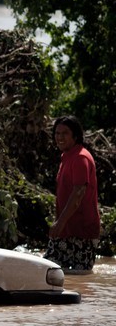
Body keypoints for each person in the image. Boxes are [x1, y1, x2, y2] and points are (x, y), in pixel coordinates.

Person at [44, 115, 100, 272]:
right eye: (57, 133)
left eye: (65, 133)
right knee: (49, 272)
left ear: (75, 136)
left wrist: (59, 223)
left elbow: (78, 194)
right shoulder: (67, 156)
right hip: (66, 230)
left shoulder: (80, 158)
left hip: (82, 232)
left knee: (79, 278)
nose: (60, 137)